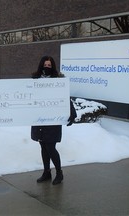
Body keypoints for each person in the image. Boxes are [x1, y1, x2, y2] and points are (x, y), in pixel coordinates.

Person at [31, 56, 77, 185]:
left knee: (50, 146)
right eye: (45, 64)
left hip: (53, 118)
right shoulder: (34, 79)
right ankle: (46, 172)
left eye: (49, 65)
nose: (47, 67)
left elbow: (65, 98)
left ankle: (59, 173)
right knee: (42, 146)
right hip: (39, 118)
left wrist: (71, 114)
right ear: (41, 65)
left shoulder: (58, 80)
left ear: (53, 66)